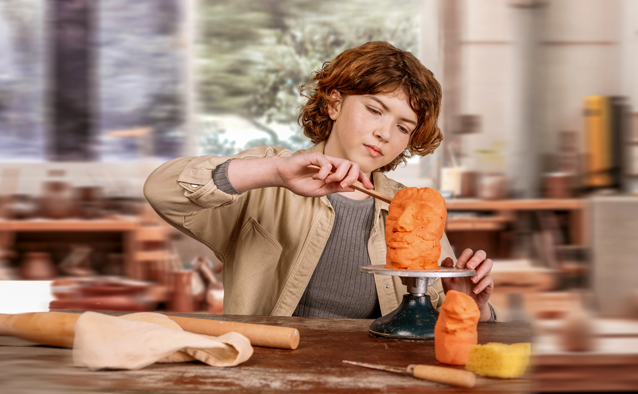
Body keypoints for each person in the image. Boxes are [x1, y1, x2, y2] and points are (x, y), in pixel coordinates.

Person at [144, 41, 498, 322]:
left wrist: (472, 306)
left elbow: (436, 323)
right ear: (334, 103)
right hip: (269, 369)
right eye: (374, 110)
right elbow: (162, 191)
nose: (384, 133)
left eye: (403, 127)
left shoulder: (412, 208)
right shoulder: (271, 174)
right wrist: (276, 173)